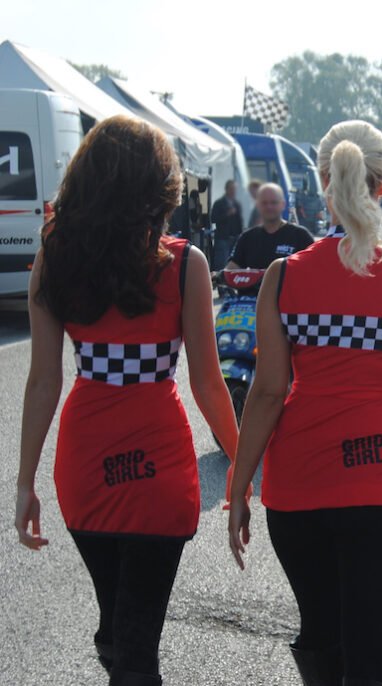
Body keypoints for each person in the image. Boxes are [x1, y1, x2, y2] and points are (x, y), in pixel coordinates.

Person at [15, 115, 240, 685]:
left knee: (122, 628)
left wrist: (24, 484)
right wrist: (243, 460)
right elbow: (207, 383)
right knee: (135, 637)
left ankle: (114, 649)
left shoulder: (55, 252)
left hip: (85, 469)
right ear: (157, 189)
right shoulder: (185, 264)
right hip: (159, 470)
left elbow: (43, 381)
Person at [228, 120, 382, 686]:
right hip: (380, 477)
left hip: (300, 482)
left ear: (324, 180)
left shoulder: (284, 275)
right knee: (372, 655)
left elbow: (269, 390)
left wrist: (239, 484)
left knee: (322, 634)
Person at [224, 183, 315, 294]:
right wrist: (220, 275)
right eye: (264, 203)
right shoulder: (248, 237)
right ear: (257, 205)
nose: (269, 207)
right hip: (250, 305)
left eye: (273, 203)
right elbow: (232, 267)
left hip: (286, 305)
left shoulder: (300, 235)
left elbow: (315, 270)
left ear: (283, 204)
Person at [210, 180, 243, 270]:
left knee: (233, 262)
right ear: (227, 189)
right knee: (221, 262)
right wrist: (226, 214)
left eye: (235, 189)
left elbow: (240, 221)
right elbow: (213, 219)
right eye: (232, 189)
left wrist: (241, 235)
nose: (233, 192)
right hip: (223, 238)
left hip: (235, 238)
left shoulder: (237, 204)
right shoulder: (219, 203)